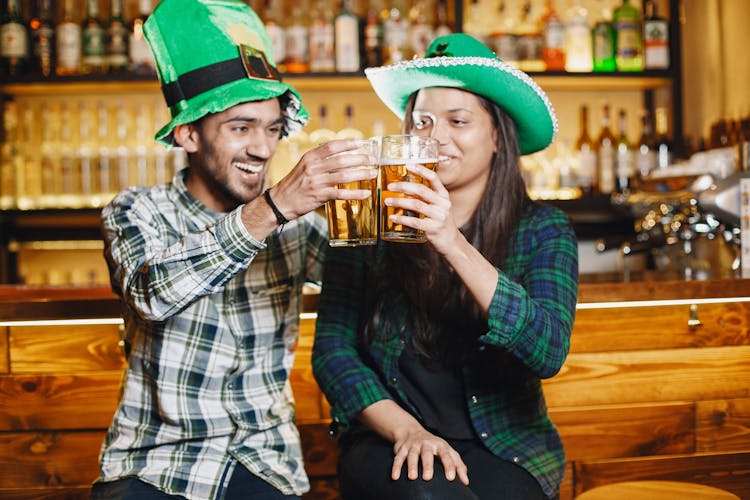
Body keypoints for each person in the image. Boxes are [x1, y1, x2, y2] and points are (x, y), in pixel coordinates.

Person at [90, 1, 377, 499]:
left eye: (272, 129)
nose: (264, 149)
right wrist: (276, 205)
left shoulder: (297, 227)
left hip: (265, 464)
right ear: (188, 135)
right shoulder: (136, 210)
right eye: (241, 128)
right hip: (156, 465)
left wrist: (388, 216)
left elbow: (380, 287)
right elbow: (150, 292)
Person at [312, 33, 579, 500]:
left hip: (507, 447)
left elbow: (547, 350)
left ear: (499, 136)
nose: (435, 138)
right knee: (428, 493)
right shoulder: (367, 219)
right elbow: (333, 354)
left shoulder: (543, 229)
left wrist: (451, 242)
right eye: (421, 122)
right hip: (389, 437)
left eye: (459, 121)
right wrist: (406, 431)